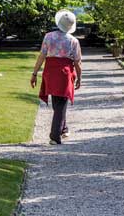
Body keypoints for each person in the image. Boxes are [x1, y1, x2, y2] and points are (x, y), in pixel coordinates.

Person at [30, 9, 82, 145]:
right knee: (61, 103)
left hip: (50, 71)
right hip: (64, 73)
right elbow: (77, 62)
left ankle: (63, 128)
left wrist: (34, 73)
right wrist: (80, 78)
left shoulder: (48, 36)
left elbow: (42, 55)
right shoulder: (73, 41)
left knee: (57, 102)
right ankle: (54, 136)